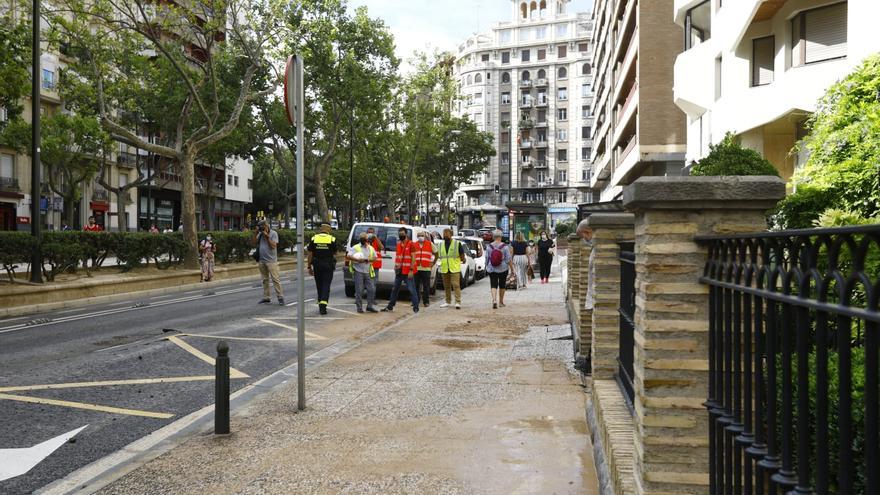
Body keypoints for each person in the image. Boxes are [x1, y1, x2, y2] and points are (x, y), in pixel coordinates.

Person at [382, 227, 420, 313]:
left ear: (406, 234)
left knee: (411, 289)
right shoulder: (399, 244)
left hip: (407, 271)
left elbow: (414, 258)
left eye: (402, 234)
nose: (401, 235)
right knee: (395, 289)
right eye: (400, 234)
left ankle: (416, 307)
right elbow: (399, 257)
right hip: (399, 271)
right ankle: (390, 306)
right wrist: (396, 266)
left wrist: (411, 270)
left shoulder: (411, 244)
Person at [307, 224, 338, 315]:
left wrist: (309, 266)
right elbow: (335, 252)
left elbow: (310, 254)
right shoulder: (332, 239)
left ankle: (320, 301)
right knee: (326, 284)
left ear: (321, 229)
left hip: (317, 264)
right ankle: (323, 305)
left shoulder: (314, 238)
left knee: (319, 284)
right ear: (328, 230)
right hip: (328, 264)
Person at [251, 219, 284, 305]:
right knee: (265, 280)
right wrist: (256, 232)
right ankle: (266, 297)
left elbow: (273, 246)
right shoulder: (260, 234)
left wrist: (267, 236)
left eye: (263, 226)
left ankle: (280, 297)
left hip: (271, 261)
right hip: (262, 260)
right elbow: (254, 243)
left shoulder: (273, 233)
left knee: (275, 279)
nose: (262, 228)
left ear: (267, 226)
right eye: (261, 227)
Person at [346, 232, 378, 313]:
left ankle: (369, 306)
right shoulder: (355, 247)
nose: (364, 241)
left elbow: (375, 258)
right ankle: (359, 308)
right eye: (363, 239)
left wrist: (368, 260)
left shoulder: (370, 248)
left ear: (367, 240)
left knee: (371, 289)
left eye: (365, 239)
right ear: (360, 240)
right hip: (358, 271)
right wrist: (357, 260)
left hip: (367, 271)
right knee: (359, 290)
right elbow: (349, 256)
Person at [438, 228, 466, 309]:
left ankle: (457, 302)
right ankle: (448, 301)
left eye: (447, 233)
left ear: (451, 234)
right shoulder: (440, 244)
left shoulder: (457, 244)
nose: (445, 235)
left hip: (454, 268)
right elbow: (439, 256)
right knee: (446, 286)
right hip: (445, 267)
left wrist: (463, 260)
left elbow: (461, 253)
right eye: (444, 233)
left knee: (456, 285)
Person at [485, 229, 511, 309]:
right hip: (503, 268)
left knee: (493, 284)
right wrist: (512, 269)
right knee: (502, 285)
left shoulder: (489, 246)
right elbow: (508, 259)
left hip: (492, 268)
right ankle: (501, 302)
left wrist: (486, 265)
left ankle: (494, 300)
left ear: (493, 237)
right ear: (500, 236)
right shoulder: (505, 247)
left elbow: (487, 258)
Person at [412, 230, 437, 308]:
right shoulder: (414, 245)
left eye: (422, 235)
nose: (421, 237)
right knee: (416, 286)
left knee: (426, 286)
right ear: (417, 237)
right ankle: (416, 301)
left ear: (425, 237)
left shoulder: (430, 244)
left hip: (426, 269)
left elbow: (436, 253)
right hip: (416, 268)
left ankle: (426, 302)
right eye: (419, 235)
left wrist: (433, 263)